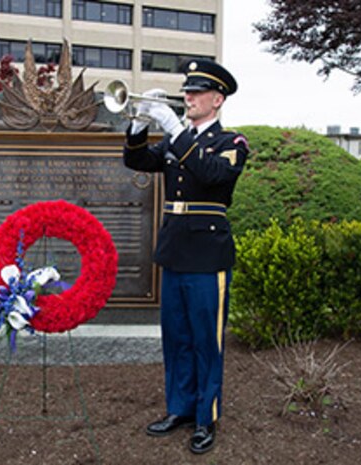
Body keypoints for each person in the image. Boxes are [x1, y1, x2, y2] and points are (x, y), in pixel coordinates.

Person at [122, 59, 248, 455]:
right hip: (175, 251)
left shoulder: (231, 143)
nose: (187, 97)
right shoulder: (179, 141)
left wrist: (174, 128)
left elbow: (213, 175)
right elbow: (137, 160)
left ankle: (205, 417)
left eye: (196, 92)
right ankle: (179, 408)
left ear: (217, 99)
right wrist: (141, 124)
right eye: (186, 91)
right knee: (176, 338)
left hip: (208, 257)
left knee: (205, 342)